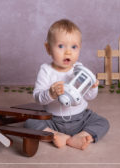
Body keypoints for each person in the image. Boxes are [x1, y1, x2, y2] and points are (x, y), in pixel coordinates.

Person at [24, 19, 109, 150]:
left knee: (103, 123)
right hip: (53, 119)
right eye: (61, 46)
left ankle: (82, 136)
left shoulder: (79, 69)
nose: (68, 52)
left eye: (74, 47)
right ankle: (56, 134)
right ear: (48, 48)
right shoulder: (46, 70)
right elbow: (37, 97)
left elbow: (89, 96)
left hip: (81, 117)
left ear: (79, 48)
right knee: (30, 123)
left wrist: (93, 87)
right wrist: (50, 93)